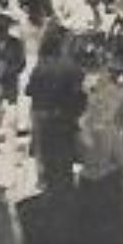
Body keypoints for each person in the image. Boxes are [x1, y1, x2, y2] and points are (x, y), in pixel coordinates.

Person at [71, 69, 123, 244]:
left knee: (88, 228)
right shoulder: (110, 128)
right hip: (106, 180)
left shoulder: (80, 126)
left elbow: (78, 156)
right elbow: (120, 160)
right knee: (107, 227)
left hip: (88, 180)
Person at [26, 24, 86, 192]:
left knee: (44, 158)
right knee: (63, 163)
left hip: (41, 117)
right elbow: (80, 97)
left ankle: (45, 184)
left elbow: (29, 90)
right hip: (63, 120)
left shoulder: (40, 66)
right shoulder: (72, 68)